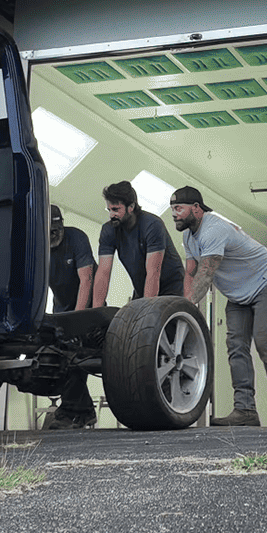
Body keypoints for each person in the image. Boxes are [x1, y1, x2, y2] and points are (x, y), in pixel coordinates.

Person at [171, 185, 267, 427]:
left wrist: (184, 309)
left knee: (266, 346)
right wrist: (186, 306)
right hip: (238, 295)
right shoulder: (188, 236)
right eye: (172, 209)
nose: (174, 214)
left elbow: (206, 272)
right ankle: (246, 410)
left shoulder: (214, 228)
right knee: (236, 347)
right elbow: (191, 272)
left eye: (179, 208)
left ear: (196, 209)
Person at [44, 204, 98, 430]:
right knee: (57, 356)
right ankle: (83, 411)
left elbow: (86, 280)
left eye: (56, 230)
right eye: (48, 232)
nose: (53, 236)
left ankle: (71, 412)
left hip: (88, 308)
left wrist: (77, 321)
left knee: (75, 354)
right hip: (60, 309)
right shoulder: (37, 246)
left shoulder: (76, 239)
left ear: (62, 226)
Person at [87, 180, 183, 306]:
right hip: (142, 287)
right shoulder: (109, 230)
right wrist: (96, 312)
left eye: (116, 209)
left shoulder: (152, 225)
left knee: (151, 319)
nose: (111, 215)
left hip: (172, 287)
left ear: (131, 207)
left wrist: (147, 312)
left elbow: (153, 272)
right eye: (109, 209)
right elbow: (103, 272)